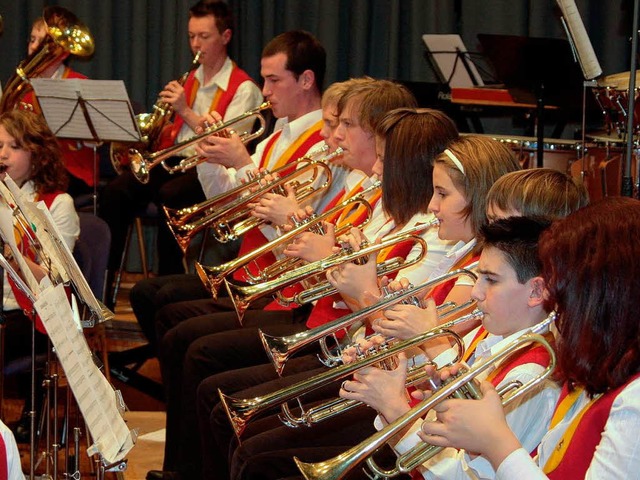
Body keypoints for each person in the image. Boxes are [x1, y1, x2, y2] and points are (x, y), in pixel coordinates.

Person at [149, 81, 424, 480]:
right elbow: (285, 243)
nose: (335, 136)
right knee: (184, 337)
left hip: (326, 329)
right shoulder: (355, 183)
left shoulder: (387, 204)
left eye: (345, 124)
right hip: (314, 315)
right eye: (334, 123)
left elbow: (344, 286)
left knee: (205, 366)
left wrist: (300, 230)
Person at [222, 134, 520, 480]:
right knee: (252, 448)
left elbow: (436, 354)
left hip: (412, 417)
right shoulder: (458, 256)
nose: (433, 205)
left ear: (478, 199)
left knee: (258, 457)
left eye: (442, 194)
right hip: (389, 394)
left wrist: (366, 297)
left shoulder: (475, 273)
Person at [420, 196, 640, 479]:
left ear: (603, 299)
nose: (556, 308)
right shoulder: (600, 373)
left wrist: (496, 442)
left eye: (564, 295)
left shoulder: (633, 399)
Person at [99, 0, 263, 306]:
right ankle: (101, 294)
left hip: (211, 171)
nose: (195, 45)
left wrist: (185, 110)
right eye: (191, 36)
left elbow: (229, 142)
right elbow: (172, 133)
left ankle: (164, 292)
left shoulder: (244, 89)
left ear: (225, 37)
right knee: (116, 193)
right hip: (173, 161)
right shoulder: (190, 78)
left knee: (171, 196)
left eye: (204, 36)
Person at [0, 109, 80, 442]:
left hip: (30, 314)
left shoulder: (57, 204)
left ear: (37, 154)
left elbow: (56, 278)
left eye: (14, 146)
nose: (2, 154)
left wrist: (11, 253)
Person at [15, 9, 95, 199]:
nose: (34, 47)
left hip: (71, 169)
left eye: (43, 43)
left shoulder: (80, 84)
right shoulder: (22, 86)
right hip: (28, 166)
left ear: (63, 52)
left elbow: (93, 141)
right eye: (32, 40)